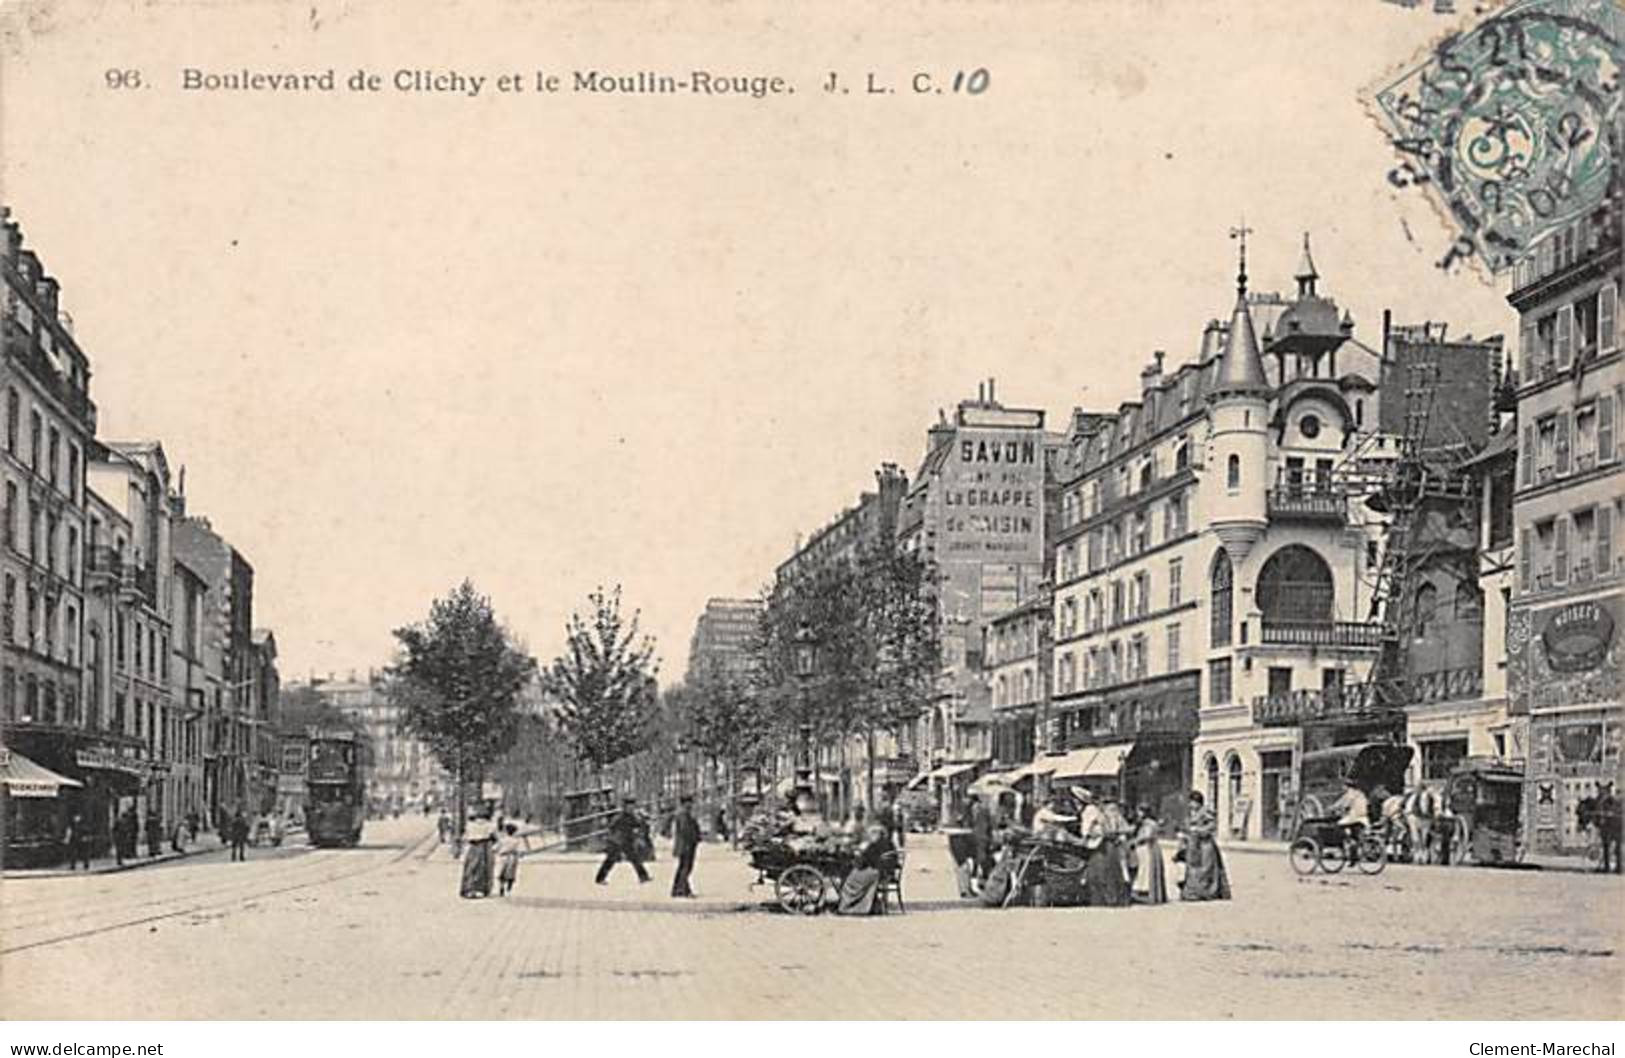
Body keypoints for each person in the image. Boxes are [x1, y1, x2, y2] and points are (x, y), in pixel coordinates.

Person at [1179, 791, 1231, 901]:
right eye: (1190, 802)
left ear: (1198, 802)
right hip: (1193, 844)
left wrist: (1199, 830)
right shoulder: (1192, 813)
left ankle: (1207, 892)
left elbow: (1212, 826)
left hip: (1205, 844)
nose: (1190, 805)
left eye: (1192, 802)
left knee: (1206, 868)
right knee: (1192, 867)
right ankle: (1193, 892)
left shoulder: (1205, 812)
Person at [837, 824, 896, 915]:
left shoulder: (875, 845)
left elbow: (864, 861)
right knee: (854, 873)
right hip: (885, 872)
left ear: (877, 834)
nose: (870, 836)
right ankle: (866, 904)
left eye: (872, 834)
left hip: (875, 872)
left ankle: (851, 907)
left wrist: (859, 852)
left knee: (851, 878)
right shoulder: (889, 843)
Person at [595, 796, 652, 885]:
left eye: (632, 806)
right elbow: (611, 827)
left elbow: (638, 825)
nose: (631, 808)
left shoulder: (633, 817)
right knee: (610, 860)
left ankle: (643, 876)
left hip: (627, 841)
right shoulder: (620, 817)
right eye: (629, 806)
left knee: (635, 859)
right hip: (617, 842)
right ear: (625, 807)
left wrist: (643, 822)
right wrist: (612, 837)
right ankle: (600, 878)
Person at [1130, 804, 1168, 904]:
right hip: (1143, 848)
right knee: (1142, 870)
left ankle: (1146, 893)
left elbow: (1147, 835)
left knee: (1146, 870)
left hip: (1148, 847)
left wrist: (1135, 841)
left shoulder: (1149, 823)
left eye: (1140, 811)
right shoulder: (1142, 823)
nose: (1138, 814)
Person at [460, 808, 497, 898]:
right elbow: (494, 836)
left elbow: (465, 837)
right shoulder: (490, 825)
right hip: (485, 846)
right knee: (484, 868)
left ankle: (469, 889)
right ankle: (482, 889)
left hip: (472, 846)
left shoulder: (470, 825)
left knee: (471, 867)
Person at [1329, 779, 1370, 855]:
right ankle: (1353, 857)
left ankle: (1347, 842)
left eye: (1343, 786)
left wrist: (1332, 808)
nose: (1342, 787)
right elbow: (1367, 803)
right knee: (1354, 834)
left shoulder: (1349, 794)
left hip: (1354, 817)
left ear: (1347, 786)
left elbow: (1343, 804)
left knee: (1338, 826)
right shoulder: (1361, 794)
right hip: (1364, 818)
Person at [671, 796, 701, 897]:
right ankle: (683, 890)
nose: (691, 805)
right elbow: (686, 830)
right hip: (686, 845)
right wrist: (694, 838)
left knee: (682, 868)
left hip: (684, 845)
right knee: (686, 868)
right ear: (685, 803)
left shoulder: (683, 813)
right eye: (689, 803)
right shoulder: (683, 814)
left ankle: (677, 889)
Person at [969, 793, 995, 882]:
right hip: (983, 835)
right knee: (982, 854)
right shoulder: (984, 809)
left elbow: (974, 821)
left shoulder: (976, 809)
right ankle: (983, 873)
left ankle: (977, 872)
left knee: (979, 854)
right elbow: (990, 824)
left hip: (979, 834)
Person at [495, 822, 523, 896]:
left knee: (502, 873)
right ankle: (509, 890)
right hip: (512, 857)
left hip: (503, 857)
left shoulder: (502, 840)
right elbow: (518, 850)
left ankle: (501, 887)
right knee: (511, 874)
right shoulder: (516, 841)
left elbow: (496, 848)